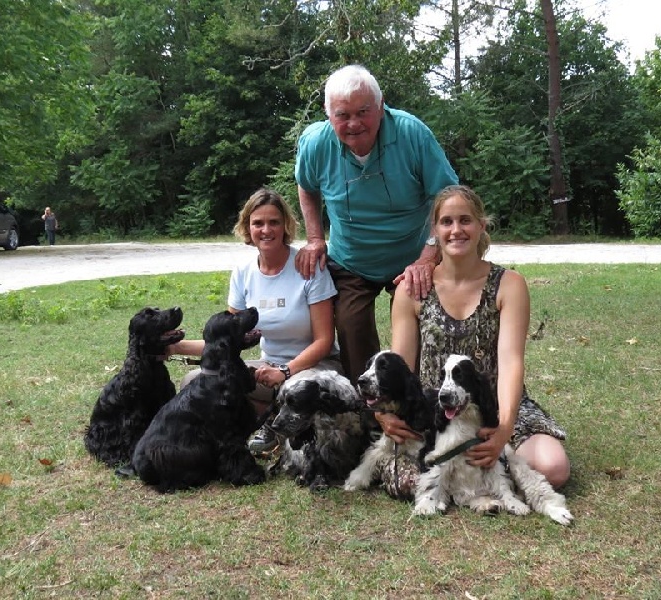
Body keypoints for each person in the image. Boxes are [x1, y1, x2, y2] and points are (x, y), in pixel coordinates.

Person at [378, 185, 570, 494]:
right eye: (447, 222)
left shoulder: (509, 284)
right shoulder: (412, 289)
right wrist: (385, 413)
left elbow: (510, 361)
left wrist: (504, 430)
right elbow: (399, 368)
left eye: (465, 220)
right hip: (435, 414)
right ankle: (476, 474)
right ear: (435, 231)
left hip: (495, 408)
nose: (456, 230)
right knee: (406, 484)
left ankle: (485, 464)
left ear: (482, 226)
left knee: (553, 469)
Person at [294, 64, 458, 383]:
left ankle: (421, 398)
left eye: (364, 111)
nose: (354, 123)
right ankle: (369, 413)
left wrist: (428, 257)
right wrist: (315, 238)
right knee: (352, 327)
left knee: (423, 324)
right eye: (343, 115)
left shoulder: (412, 133)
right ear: (328, 115)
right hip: (352, 260)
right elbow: (306, 186)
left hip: (412, 257)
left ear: (381, 107)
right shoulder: (315, 143)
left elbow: (449, 195)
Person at [166, 188, 342, 453]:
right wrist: (173, 346)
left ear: (285, 226)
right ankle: (262, 423)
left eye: (274, 222)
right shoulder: (243, 273)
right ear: (247, 228)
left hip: (314, 367)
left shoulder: (308, 266)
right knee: (194, 381)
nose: (266, 230)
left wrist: (285, 371)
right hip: (266, 367)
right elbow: (224, 341)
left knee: (296, 389)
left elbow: (324, 340)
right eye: (258, 223)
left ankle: (281, 427)